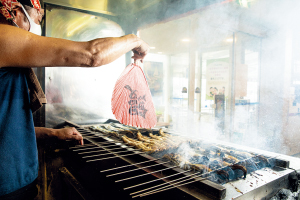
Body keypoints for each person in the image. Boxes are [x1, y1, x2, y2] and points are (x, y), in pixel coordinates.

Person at [0, 0, 150, 199]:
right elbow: (92, 54)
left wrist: (52, 133)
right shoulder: (3, 37)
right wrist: (135, 40)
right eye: (39, 18)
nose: (38, 26)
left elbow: (7, 125)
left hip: (14, 182)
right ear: (17, 13)